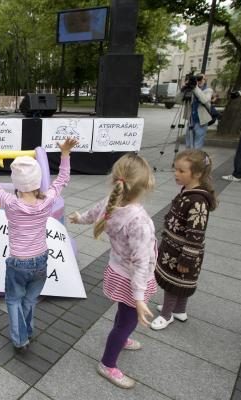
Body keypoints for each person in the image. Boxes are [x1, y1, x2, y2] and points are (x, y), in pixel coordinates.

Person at [0, 136, 78, 353]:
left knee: (13, 300)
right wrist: (65, 153)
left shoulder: (10, 203)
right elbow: (62, 179)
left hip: (18, 262)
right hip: (41, 260)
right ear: (39, 181)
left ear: (16, 183)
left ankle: (20, 339)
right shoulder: (47, 200)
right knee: (30, 300)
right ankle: (28, 330)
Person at [69, 153, 157, 389]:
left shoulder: (111, 201)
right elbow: (141, 261)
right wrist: (139, 298)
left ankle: (122, 338)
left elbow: (92, 215)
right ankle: (108, 363)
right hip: (133, 280)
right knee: (127, 322)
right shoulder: (138, 220)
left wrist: (78, 218)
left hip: (118, 272)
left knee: (123, 314)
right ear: (147, 184)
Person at [151, 150, 217, 330]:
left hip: (182, 252)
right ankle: (179, 310)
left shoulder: (197, 201)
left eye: (181, 171)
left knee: (174, 282)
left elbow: (196, 233)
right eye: (176, 169)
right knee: (179, 281)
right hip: (173, 248)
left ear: (197, 174)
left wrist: (187, 258)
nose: (176, 174)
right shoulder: (188, 192)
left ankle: (166, 315)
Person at [176, 73, 213, 149]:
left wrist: (195, 87)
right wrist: (183, 89)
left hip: (201, 122)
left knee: (197, 146)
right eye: (197, 78)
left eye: (201, 79)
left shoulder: (208, 90)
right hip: (191, 121)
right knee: (188, 145)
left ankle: (195, 160)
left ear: (205, 80)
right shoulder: (190, 89)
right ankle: (189, 160)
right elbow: (177, 100)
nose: (199, 80)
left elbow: (205, 100)